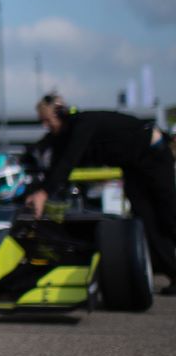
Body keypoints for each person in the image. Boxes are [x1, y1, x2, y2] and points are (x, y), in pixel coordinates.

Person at [25, 93, 176, 294]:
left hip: (153, 154)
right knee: (148, 222)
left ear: (60, 114)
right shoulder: (62, 135)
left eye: (47, 120)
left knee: (168, 216)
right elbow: (44, 155)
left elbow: (68, 161)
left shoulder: (83, 124)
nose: (45, 125)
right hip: (132, 167)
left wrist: (44, 192)